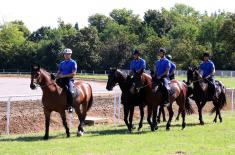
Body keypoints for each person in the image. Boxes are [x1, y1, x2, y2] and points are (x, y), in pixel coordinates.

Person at [56, 48, 77, 113]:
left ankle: (70, 106)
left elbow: (73, 73)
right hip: (61, 79)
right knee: (53, 88)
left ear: (70, 55)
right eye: (65, 54)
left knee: (70, 91)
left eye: (68, 54)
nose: (66, 55)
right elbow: (59, 72)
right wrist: (55, 76)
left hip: (69, 79)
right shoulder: (61, 63)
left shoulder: (73, 62)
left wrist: (64, 76)